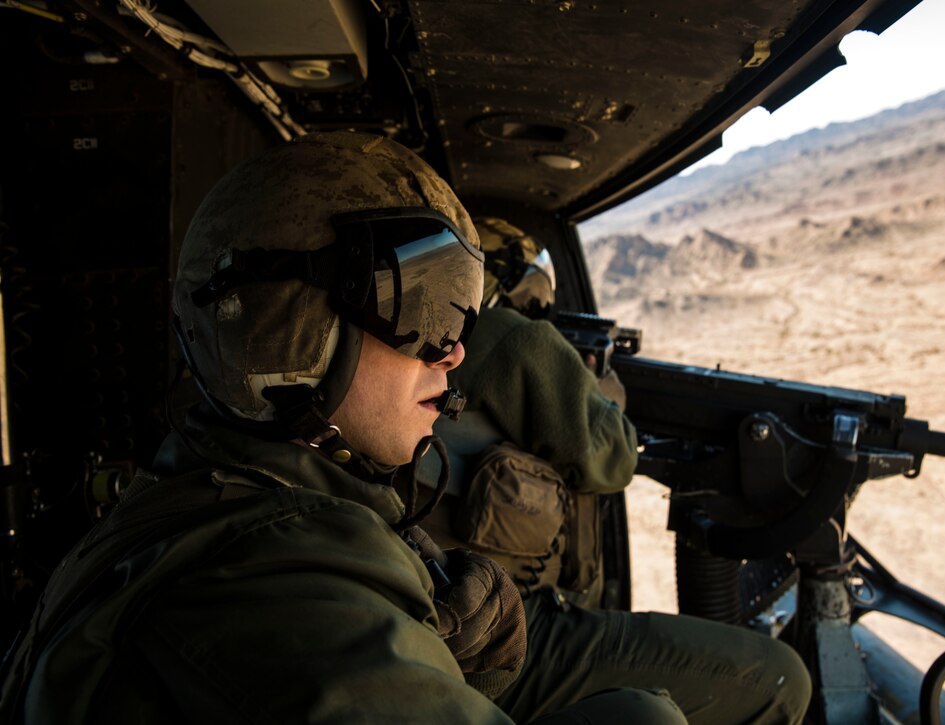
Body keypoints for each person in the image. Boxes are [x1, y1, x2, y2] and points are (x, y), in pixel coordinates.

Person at [0, 133, 685, 724]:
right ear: (289, 333)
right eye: (423, 308)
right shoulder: (280, 592)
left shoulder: (216, 491)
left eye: (463, 314)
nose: (454, 352)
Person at [417, 217, 814, 725]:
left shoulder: (411, 347)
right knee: (778, 680)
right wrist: (597, 387)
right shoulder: (504, 337)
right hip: (500, 630)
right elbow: (614, 457)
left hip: (448, 617)